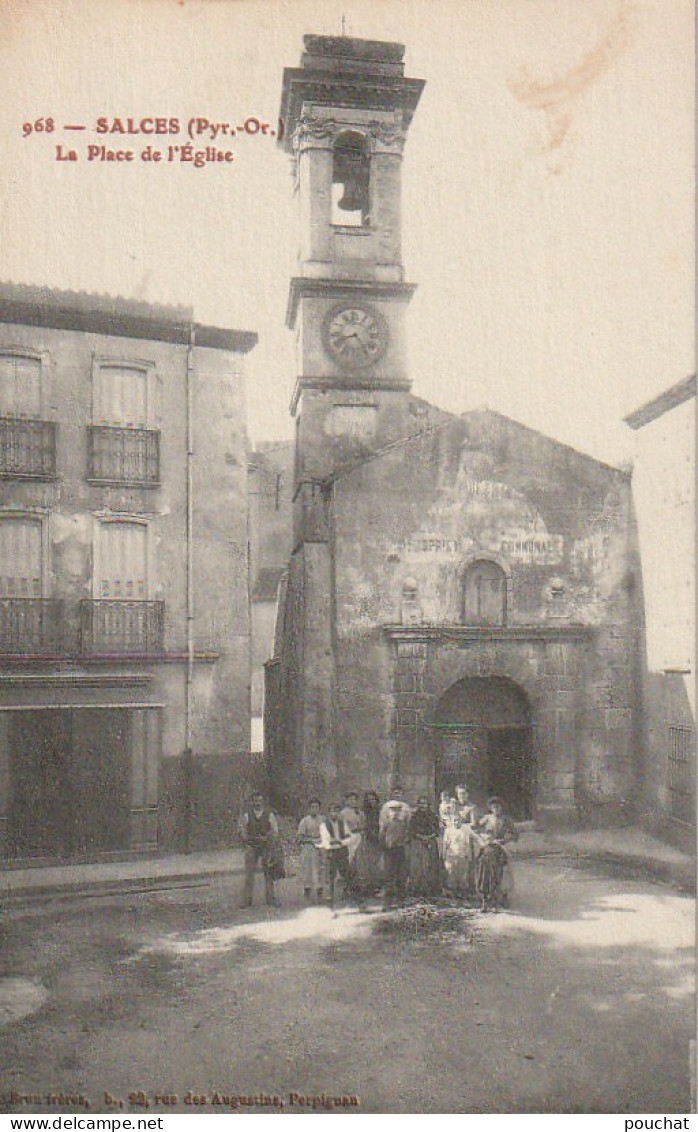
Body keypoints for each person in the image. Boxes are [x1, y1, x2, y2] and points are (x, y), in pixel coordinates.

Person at [473, 796, 519, 912]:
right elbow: (475, 829)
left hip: (500, 848)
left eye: (498, 807)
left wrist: (504, 840)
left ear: (501, 808)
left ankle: (499, 898)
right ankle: (484, 899)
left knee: (500, 871)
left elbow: (515, 835)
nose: (496, 809)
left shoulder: (506, 820)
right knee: (483, 868)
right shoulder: (486, 819)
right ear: (490, 809)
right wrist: (483, 838)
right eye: (494, 807)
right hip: (488, 847)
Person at [239, 791, 280, 908]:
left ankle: (270, 898)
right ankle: (247, 900)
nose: (258, 803)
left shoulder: (269, 814)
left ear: (263, 802)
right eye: (255, 801)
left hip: (266, 846)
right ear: (252, 802)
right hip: (252, 846)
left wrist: (267, 838)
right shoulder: (247, 815)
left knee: (269, 873)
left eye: (260, 801)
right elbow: (242, 830)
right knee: (249, 874)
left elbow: (275, 830)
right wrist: (248, 840)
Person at [319, 802, 355, 909]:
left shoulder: (342, 823)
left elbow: (349, 837)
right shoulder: (324, 825)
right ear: (329, 813)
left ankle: (350, 898)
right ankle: (330, 902)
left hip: (342, 852)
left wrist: (341, 842)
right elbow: (326, 840)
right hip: (331, 852)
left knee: (347, 874)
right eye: (332, 811)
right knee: (330, 877)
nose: (334, 813)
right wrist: (335, 842)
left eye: (336, 811)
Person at [380, 800, 410, 910]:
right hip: (389, 852)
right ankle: (387, 902)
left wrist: (402, 843)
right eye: (392, 811)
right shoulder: (386, 824)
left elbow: (407, 836)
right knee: (388, 876)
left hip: (400, 851)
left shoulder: (402, 824)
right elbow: (381, 837)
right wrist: (385, 847)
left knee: (401, 876)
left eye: (397, 811)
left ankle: (400, 900)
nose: (395, 813)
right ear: (389, 812)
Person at [408, 797, 440, 897]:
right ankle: (418, 890)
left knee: (430, 865)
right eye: (420, 804)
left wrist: (429, 837)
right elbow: (412, 830)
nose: (422, 806)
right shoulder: (414, 817)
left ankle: (430, 890)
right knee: (418, 867)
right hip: (418, 842)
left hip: (430, 841)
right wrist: (421, 837)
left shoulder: (433, 816)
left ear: (428, 805)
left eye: (424, 803)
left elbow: (437, 830)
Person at [352, 790, 383, 897]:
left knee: (378, 863)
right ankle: (366, 887)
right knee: (366, 863)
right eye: (369, 800)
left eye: (373, 799)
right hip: (367, 838)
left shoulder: (380, 810)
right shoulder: (364, 812)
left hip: (378, 838)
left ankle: (377, 887)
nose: (371, 802)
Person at [297, 798, 326, 904]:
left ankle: (320, 894)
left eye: (317, 807)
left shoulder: (323, 820)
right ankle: (307, 894)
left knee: (321, 870)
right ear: (309, 809)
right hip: (309, 848)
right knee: (308, 871)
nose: (315, 809)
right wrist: (311, 840)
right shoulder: (305, 821)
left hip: (321, 847)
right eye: (312, 807)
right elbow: (300, 837)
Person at [442, 815, 473, 899]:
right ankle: (452, 896)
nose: (456, 822)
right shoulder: (448, 830)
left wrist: (469, 856)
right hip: (451, 856)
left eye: (458, 820)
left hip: (462, 855)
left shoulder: (465, 830)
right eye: (455, 820)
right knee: (451, 876)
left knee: (463, 876)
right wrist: (444, 855)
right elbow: (445, 844)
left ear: (461, 821)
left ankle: (463, 896)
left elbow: (468, 844)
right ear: (452, 821)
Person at [340, 791, 363, 864]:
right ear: (347, 801)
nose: (352, 801)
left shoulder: (360, 812)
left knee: (359, 857)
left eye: (354, 799)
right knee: (350, 857)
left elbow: (362, 824)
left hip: (359, 836)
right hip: (349, 837)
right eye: (350, 799)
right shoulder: (343, 813)